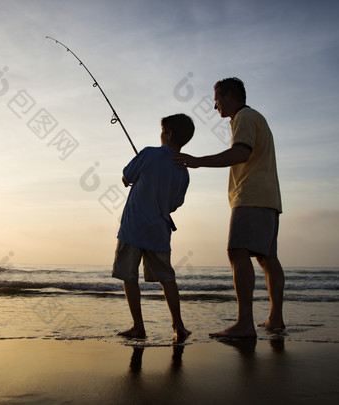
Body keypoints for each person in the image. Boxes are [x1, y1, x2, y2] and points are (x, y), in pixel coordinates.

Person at [173, 77, 285, 339]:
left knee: (237, 252)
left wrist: (198, 161)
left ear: (228, 96)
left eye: (216, 100)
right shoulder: (257, 118)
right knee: (267, 259)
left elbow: (241, 153)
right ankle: (275, 319)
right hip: (269, 198)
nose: (215, 107)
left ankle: (244, 323)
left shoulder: (244, 117)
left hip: (251, 196)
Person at [113, 113, 194, 341]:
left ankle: (138, 326)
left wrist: (131, 179)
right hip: (159, 231)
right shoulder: (183, 170)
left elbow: (126, 176)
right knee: (167, 278)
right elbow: (175, 204)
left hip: (133, 228)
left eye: (162, 131)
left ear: (167, 133)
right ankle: (178, 326)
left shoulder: (149, 153)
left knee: (130, 276)